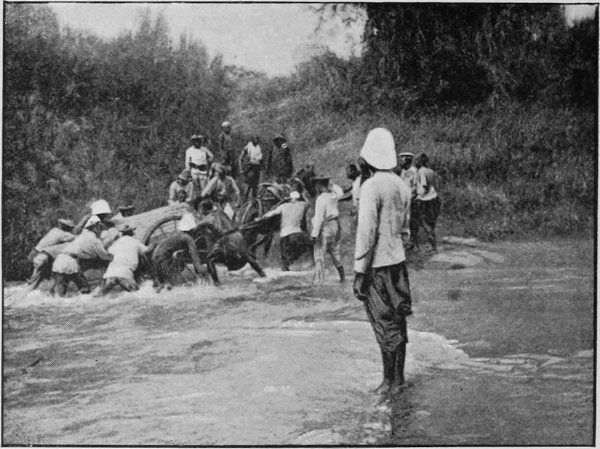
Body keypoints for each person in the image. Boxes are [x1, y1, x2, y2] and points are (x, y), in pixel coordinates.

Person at [352, 127, 412, 397]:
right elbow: (406, 231)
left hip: (377, 265)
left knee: (383, 322)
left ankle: (388, 381)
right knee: (399, 320)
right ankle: (399, 378)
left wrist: (359, 271)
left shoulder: (371, 187)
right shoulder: (402, 185)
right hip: (398, 262)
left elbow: (366, 232)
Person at [196, 200, 266, 285]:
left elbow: (195, 228)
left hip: (226, 239)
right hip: (237, 235)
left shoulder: (207, 219)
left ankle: (217, 284)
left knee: (209, 259)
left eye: (201, 209)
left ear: (204, 209)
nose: (200, 211)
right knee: (246, 255)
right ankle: (262, 274)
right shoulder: (220, 212)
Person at [50, 216, 113, 296]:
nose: (101, 229)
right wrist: (112, 257)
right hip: (70, 263)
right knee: (84, 287)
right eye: (99, 226)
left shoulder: (83, 234)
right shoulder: (93, 239)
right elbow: (103, 255)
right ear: (95, 226)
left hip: (60, 260)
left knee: (59, 290)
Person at [257, 191, 312, 271]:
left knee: (284, 259)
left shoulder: (283, 206)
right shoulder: (302, 204)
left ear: (290, 198)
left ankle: (285, 266)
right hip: (298, 232)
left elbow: (272, 213)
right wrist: (305, 195)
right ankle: (294, 261)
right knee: (307, 247)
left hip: (285, 234)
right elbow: (309, 203)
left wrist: (260, 218)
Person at [150, 213, 205, 292]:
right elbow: (198, 266)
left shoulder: (174, 233)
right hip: (165, 261)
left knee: (163, 288)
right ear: (192, 229)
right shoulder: (188, 238)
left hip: (154, 260)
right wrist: (207, 270)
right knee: (192, 282)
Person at [95, 224, 151, 296]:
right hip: (125, 274)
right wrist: (153, 244)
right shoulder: (135, 241)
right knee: (137, 294)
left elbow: (109, 255)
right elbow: (147, 251)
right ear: (132, 233)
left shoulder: (114, 244)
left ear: (121, 233)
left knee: (100, 296)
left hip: (110, 274)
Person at [311, 176, 345, 284]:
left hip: (325, 226)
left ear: (319, 185)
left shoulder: (321, 199)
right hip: (335, 225)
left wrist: (314, 234)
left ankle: (319, 280)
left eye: (316, 184)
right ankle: (342, 277)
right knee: (335, 251)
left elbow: (319, 218)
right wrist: (331, 185)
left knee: (319, 252)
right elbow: (341, 192)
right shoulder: (333, 196)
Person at [27, 219, 76, 289]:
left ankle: (31, 289)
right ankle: (47, 290)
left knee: (40, 275)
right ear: (66, 227)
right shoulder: (63, 234)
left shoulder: (54, 230)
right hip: (40, 254)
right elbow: (76, 238)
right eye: (70, 228)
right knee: (43, 275)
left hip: (33, 252)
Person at [414, 152, 441, 254]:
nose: (415, 162)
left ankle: (433, 248)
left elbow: (424, 186)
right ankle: (433, 246)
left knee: (425, 224)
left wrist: (418, 197)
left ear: (420, 162)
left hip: (425, 200)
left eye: (417, 160)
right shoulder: (430, 171)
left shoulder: (421, 171)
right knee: (431, 223)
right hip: (434, 198)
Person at [397, 152, 418, 250]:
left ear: (407, 160)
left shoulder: (413, 171)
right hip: (401, 198)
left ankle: (408, 241)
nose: (400, 162)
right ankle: (402, 241)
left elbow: (415, 185)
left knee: (407, 219)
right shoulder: (402, 171)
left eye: (402, 160)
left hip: (409, 198)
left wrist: (409, 194)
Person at [239, 134, 263, 201]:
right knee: (249, 184)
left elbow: (260, 159)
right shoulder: (248, 146)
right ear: (252, 139)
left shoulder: (258, 148)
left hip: (257, 168)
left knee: (255, 185)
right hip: (250, 168)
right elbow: (240, 158)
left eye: (257, 139)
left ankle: (254, 201)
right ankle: (244, 200)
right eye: (255, 139)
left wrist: (262, 167)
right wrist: (241, 168)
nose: (256, 140)